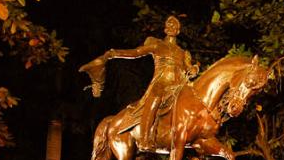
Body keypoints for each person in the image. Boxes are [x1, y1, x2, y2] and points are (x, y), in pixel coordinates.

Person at [80, 15, 199, 151]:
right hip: (161, 84)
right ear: (165, 28)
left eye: (174, 25)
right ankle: (145, 138)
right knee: (155, 98)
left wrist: (194, 69)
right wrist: (113, 53)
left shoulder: (183, 53)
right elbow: (136, 52)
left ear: (178, 30)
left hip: (178, 87)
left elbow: (189, 69)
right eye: (169, 23)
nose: (171, 26)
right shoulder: (157, 44)